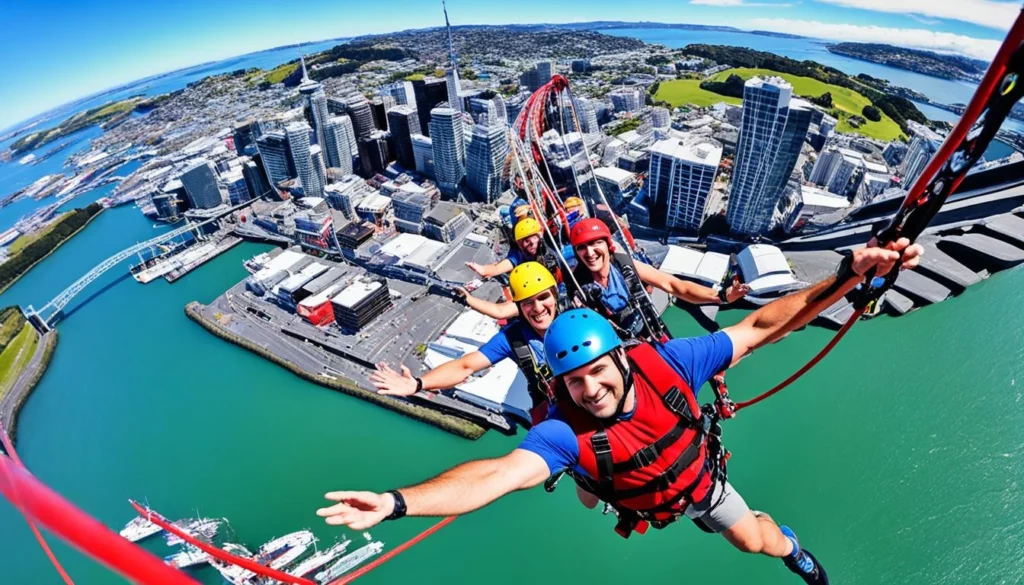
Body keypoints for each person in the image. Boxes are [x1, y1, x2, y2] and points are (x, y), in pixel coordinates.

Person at [317, 238, 924, 585]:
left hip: (698, 486)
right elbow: (497, 475)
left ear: (623, 360)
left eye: (599, 371)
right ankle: (602, 489)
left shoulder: (668, 362)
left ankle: (790, 546)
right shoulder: (562, 426)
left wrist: (847, 275)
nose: (591, 389)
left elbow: (763, 326)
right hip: (612, 475)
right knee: (582, 486)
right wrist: (400, 502)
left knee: (754, 544)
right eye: (575, 381)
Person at [371, 262, 562, 426]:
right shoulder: (514, 338)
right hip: (558, 411)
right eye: (528, 302)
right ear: (519, 307)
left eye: (543, 297)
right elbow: (464, 366)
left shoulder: (580, 321)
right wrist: (419, 383)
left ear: (555, 296)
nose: (537, 308)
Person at [465, 217, 573, 281]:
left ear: (539, 236)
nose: (531, 244)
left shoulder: (548, 244)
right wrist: (484, 270)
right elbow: (500, 267)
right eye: (526, 241)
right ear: (520, 244)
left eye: (534, 238)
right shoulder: (518, 254)